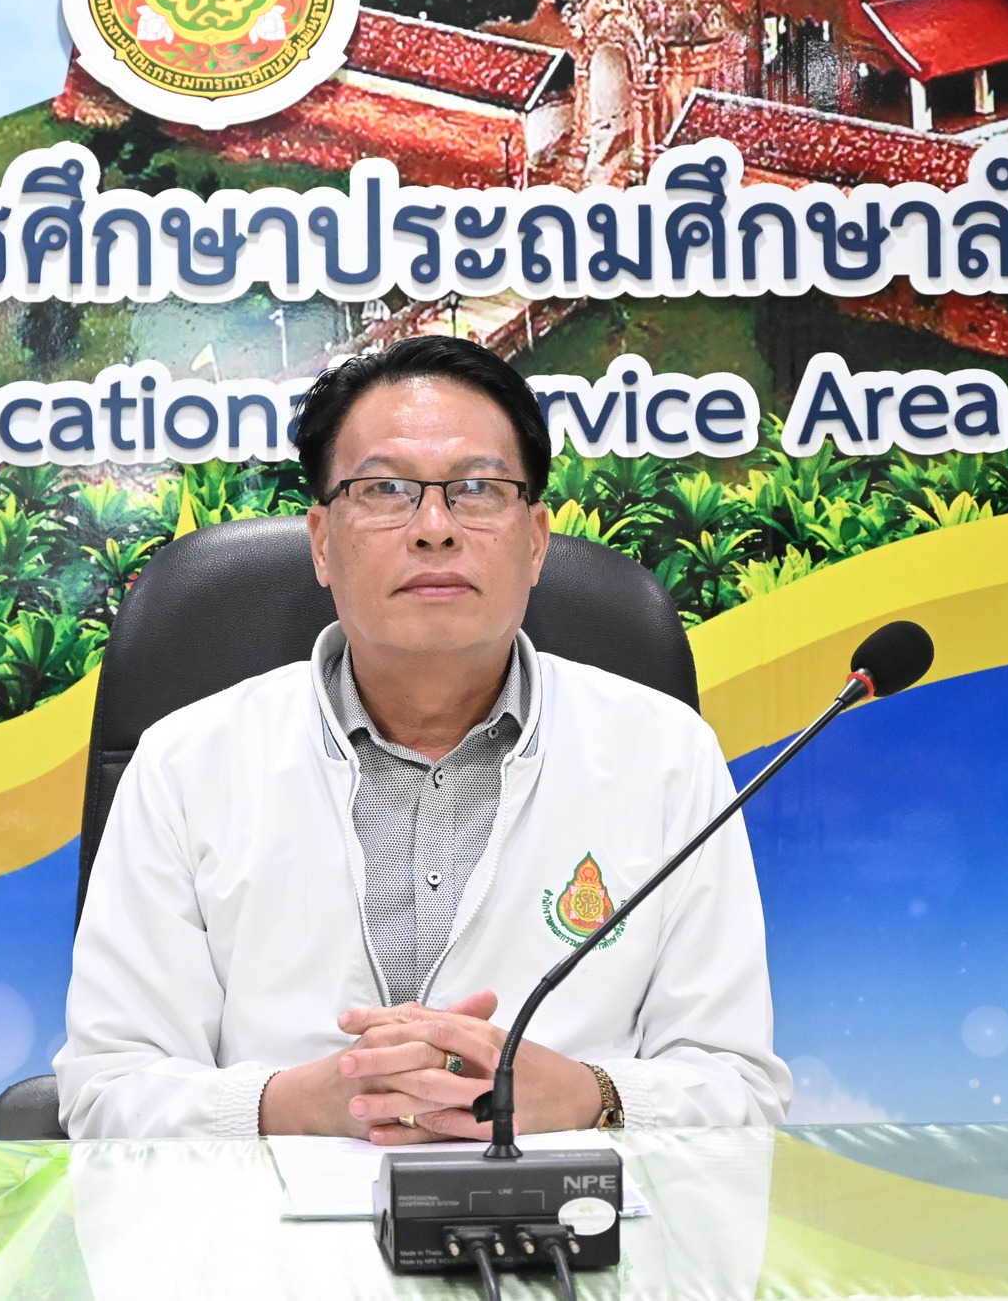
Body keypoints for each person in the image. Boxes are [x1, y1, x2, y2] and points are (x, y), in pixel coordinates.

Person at [55, 335, 790, 1141]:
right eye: (384, 489)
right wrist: (297, 1104)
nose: (434, 527)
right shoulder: (184, 764)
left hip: (571, 1219)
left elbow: (740, 1086)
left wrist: (592, 1094)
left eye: (477, 489)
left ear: (535, 540)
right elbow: (109, 1087)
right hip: (272, 1217)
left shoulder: (667, 756)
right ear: (322, 542)